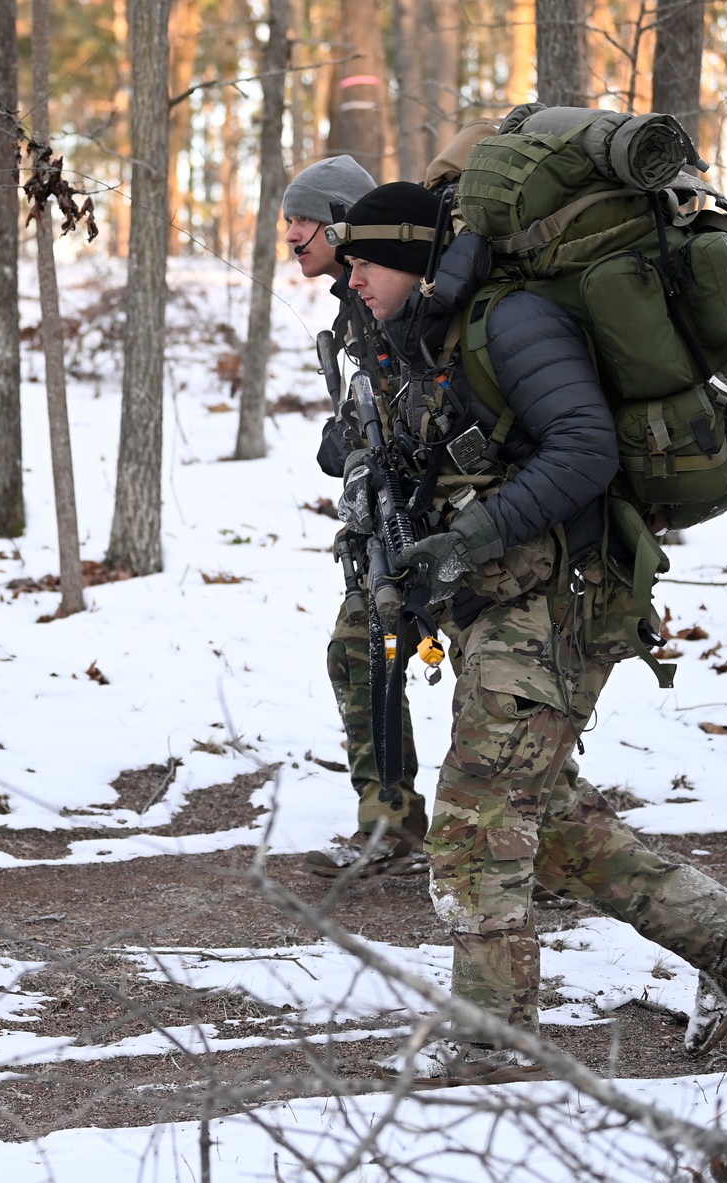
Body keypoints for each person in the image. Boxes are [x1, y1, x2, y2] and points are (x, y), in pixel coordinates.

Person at [329, 181, 727, 1081]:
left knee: (476, 815)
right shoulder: (412, 338)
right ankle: (724, 930)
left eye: (365, 259)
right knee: (552, 824)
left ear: (414, 257)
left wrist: (469, 541)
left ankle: (496, 1047)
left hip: (566, 596)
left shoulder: (513, 323)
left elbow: (584, 448)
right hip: (496, 606)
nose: (351, 276)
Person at [281, 158, 427, 877]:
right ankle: (389, 828)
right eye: (287, 222)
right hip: (387, 524)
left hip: (450, 526)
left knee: (502, 697)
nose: (292, 235)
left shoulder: (410, 296)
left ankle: (551, 852)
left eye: (303, 219)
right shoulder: (353, 306)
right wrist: (344, 441)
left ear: (341, 219)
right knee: (358, 653)